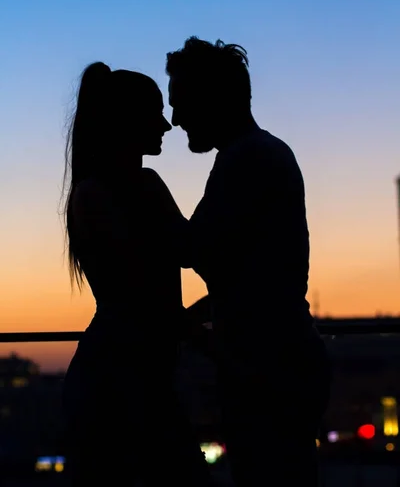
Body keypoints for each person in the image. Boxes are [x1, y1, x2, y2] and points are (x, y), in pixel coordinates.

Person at [166, 37, 331, 487]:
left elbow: (190, 247)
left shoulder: (247, 159)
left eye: (181, 104)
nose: (176, 119)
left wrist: (146, 190)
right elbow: (250, 276)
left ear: (212, 98)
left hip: (270, 371)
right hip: (278, 364)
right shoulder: (258, 154)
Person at [61, 62, 213, 486]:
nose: (166, 125)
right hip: (122, 385)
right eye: (155, 113)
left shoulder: (112, 190)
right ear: (127, 122)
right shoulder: (125, 191)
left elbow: (173, 266)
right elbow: (148, 293)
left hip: (127, 378)